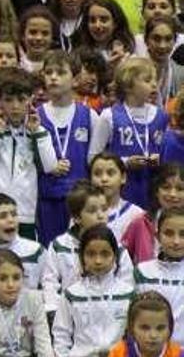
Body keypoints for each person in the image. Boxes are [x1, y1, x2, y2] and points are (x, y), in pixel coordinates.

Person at [0, 67, 58, 239]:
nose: (16, 106)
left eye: (21, 99)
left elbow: (50, 166)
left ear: (30, 99)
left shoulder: (38, 130)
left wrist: (36, 133)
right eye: (9, 100)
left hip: (24, 211)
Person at [37, 50, 103, 245]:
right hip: (47, 197)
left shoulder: (89, 116)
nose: (53, 77)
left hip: (80, 200)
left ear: (75, 79)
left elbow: (96, 159)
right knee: (50, 249)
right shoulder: (35, 116)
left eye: (60, 72)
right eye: (48, 73)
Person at [42, 180, 135, 315]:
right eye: (92, 211)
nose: (101, 215)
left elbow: (127, 284)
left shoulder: (118, 249)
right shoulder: (59, 246)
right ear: (76, 217)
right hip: (69, 314)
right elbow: (50, 282)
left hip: (107, 316)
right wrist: (55, 311)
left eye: (104, 208)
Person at [96, 57, 169, 209]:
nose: (154, 84)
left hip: (153, 193)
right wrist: (124, 163)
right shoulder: (109, 115)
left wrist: (160, 159)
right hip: (120, 193)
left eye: (155, 79)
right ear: (129, 86)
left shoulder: (162, 116)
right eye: (147, 80)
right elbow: (93, 157)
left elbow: (167, 153)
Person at [52, 225, 134, 357]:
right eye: (91, 254)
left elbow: (134, 337)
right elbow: (61, 335)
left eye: (105, 254)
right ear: (82, 257)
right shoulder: (71, 294)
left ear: (115, 256)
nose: (98, 261)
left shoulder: (128, 294)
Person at [0, 249, 53, 357]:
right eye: (3, 279)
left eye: (16, 278)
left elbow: (44, 346)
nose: (11, 285)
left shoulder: (33, 299)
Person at [133, 206, 184, 343]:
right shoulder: (143, 272)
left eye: (183, 234)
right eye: (168, 233)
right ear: (157, 236)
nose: (176, 241)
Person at [0, 194, 46, 288]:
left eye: (14, 214)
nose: (11, 220)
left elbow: (49, 287)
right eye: (2, 216)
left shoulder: (35, 251)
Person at [107, 291, 181, 357]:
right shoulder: (118, 353)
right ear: (131, 328)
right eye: (145, 328)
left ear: (170, 329)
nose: (153, 335)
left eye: (160, 328)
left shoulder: (179, 354)